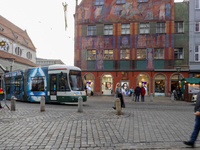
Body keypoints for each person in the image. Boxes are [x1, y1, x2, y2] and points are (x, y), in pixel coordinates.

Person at [183, 82, 200, 148]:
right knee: (196, 128)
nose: (199, 87)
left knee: (196, 127)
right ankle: (192, 141)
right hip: (198, 114)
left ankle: (192, 141)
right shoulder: (199, 93)